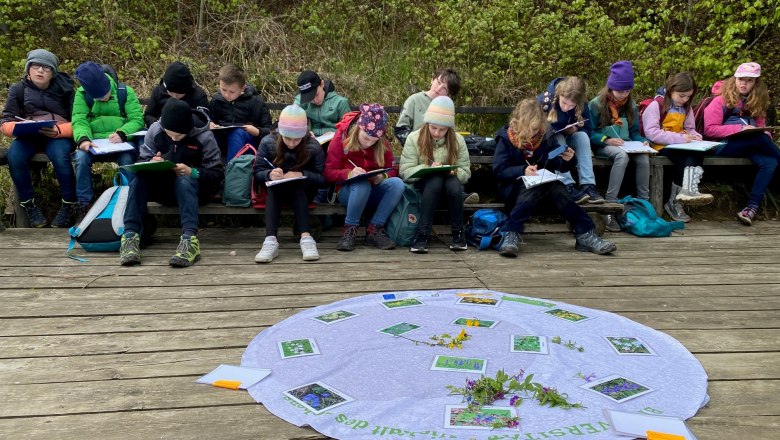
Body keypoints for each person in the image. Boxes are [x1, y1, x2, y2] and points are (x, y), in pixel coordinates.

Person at [493, 99, 617, 257]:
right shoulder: (506, 138)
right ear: (519, 123)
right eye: (531, 128)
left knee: (559, 188)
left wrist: (569, 159)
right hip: (514, 189)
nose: (534, 132)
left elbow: (555, 163)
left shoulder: (545, 136)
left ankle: (585, 234)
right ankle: (511, 233)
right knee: (534, 188)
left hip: (543, 185)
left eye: (537, 128)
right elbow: (499, 170)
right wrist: (523, 170)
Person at [119, 99, 224, 267]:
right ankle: (130, 237)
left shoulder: (204, 137)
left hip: (195, 189)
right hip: (164, 185)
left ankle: (190, 240)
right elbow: (142, 159)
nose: (174, 138)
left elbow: (218, 173)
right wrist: (153, 162)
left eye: (179, 135)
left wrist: (193, 171)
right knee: (139, 179)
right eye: (170, 134)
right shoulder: (155, 130)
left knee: (183, 180)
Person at [1, 49, 77, 228]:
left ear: (53, 72)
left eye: (46, 68)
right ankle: (29, 206)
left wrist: (60, 130)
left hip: (58, 134)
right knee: (15, 157)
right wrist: (19, 128)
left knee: (60, 157)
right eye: (35, 66)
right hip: (29, 135)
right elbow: (6, 121)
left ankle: (68, 205)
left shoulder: (66, 89)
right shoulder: (18, 89)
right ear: (28, 69)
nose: (40, 71)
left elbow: (79, 120)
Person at [703, 62, 778, 225]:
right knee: (759, 139)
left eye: (749, 81)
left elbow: (762, 128)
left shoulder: (756, 101)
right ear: (734, 79)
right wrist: (740, 129)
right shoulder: (719, 101)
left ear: (755, 84)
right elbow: (709, 130)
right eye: (740, 79)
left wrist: (764, 132)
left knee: (770, 162)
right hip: (721, 145)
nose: (743, 83)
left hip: (750, 144)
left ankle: (750, 209)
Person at [324, 103, 404, 251]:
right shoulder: (341, 139)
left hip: (373, 190)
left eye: (374, 141)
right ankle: (350, 230)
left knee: (397, 184)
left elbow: (393, 169)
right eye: (366, 138)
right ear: (359, 128)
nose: (369, 143)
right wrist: (349, 173)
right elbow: (328, 172)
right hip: (349, 191)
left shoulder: (382, 143)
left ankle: (374, 229)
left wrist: (382, 176)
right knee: (361, 184)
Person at [72, 61, 145, 222]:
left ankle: (129, 202)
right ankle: (84, 205)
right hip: (94, 142)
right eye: (98, 98)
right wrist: (83, 139)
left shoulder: (124, 92)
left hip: (121, 141)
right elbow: (79, 120)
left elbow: (137, 120)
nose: (103, 99)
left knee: (127, 160)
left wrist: (123, 133)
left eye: (105, 95)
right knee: (81, 158)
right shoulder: (82, 94)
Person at [394, 68, 478, 205]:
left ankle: (459, 196)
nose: (438, 88)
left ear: (450, 94)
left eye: (444, 88)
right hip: (419, 153)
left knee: (447, 176)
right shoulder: (414, 100)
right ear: (432, 80)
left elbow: (448, 132)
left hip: (442, 151)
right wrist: (419, 143)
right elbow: (400, 130)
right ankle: (459, 196)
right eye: (438, 82)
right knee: (432, 180)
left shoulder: (447, 106)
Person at [253, 105, 325, 263]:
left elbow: (322, 179)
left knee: (297, 185)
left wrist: (302, 174)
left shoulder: (313, 146)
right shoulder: (267, 142)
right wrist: (269, 174)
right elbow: (257, 173)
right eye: (288, 138)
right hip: (276, 193)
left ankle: (306, 238)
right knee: (275, 187)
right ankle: (270, 240)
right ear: (281, 133)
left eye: (297, 139)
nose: (292, 143)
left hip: (304, 193)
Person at [399, 96, 471, 253]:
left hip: (450, 189)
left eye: (442, 129)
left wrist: (454, 171)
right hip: (423, 187)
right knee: (435, 178)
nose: (437, 133)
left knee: (452, 182)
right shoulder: (414, 138)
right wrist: (427, 167)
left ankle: (458, 234)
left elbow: (466, 172)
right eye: (433, 128)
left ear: (449, 129)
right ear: (427, 123)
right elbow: (405, 171)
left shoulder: (458, 140)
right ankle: (422, 234)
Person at [641, 72, 713, 222]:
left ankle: (687, 192)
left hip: (681, 142)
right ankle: (675, 201)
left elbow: (690, 128)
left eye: (688, 96)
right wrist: (680, 138)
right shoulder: (657, 105)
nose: (685, 99)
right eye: (682, 96)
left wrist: (695, 136)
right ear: (671, 90)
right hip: (661, 145)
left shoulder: (686, 108)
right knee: (684, 157)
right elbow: (651, 132)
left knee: (697, 154)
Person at [588, 61, 651, 232]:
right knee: (621, 156)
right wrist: (606, 139)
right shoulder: (596, 104)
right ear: (610, 88)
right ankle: (611, 205)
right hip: (604, 147)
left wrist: (642, 141)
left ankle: (644, 204)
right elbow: (589, 132)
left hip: (628, 144)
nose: (623, 95)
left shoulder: (631, 106)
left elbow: (634, 132)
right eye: (619, 91)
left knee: (644, 157)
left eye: (627, 91)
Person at [537, 76, 603, 204]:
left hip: (570, 143)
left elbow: (588, 130)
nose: (567, 108)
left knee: (582, 137)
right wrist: (559, 129)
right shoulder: (545, 101)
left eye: (571, 105)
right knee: (558, 136)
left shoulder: (582, 105)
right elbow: (538, 132)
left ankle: (588, 185)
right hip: (549, 147)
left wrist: (575, 130)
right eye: (564, 103)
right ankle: (567, 184)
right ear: (559, 95)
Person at [208, 64, 272, 161]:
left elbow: (269, 130)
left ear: (242, 88)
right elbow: (209, 121)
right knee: (209, 134)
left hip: (248, 144)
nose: (226, 95)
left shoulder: (255, 102)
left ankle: (232, 170)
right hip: (223, 142)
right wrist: (210, 124)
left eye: (232, 92)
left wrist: (257, 131)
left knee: (237, 133)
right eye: (223, 90)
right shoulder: (216, 100)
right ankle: (211, 167)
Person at [143, 61, 209, 127]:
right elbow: (148, 115)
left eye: (178, 94)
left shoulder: (198, 95)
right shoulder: (158, 91)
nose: (174, 97)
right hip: (162, 131)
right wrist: (157, 124)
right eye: (171, 93)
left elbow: (205, 119)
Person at [294, 70, 351, 138]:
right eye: (309, 98)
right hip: (311, 140)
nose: (314, 100)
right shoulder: (301, 101)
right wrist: (306, 133)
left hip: (335, 139)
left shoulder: (340, 102)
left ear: (322, 84)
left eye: (316, 95)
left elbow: (348, 128)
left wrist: (335, 133)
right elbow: (293, 121)